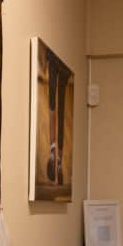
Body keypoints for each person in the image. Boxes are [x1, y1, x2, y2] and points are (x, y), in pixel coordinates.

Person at [45, 49, 69, 185]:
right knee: (60, 108)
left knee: (52, 105)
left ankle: (53, 150)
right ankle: (58, 160)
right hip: (62, 64)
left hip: (54, 60)